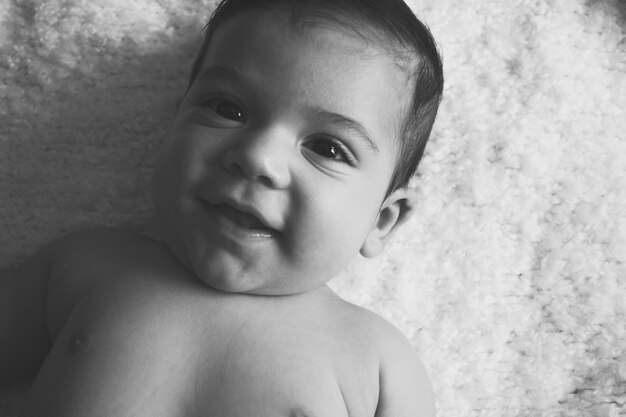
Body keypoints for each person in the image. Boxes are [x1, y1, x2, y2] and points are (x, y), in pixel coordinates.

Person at [0, 0, 444, 415]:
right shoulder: (84, 266)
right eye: (227, 109)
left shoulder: (377, 358)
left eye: (327, 148)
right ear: (174, 120)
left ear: (382, 221)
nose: (258, 158)